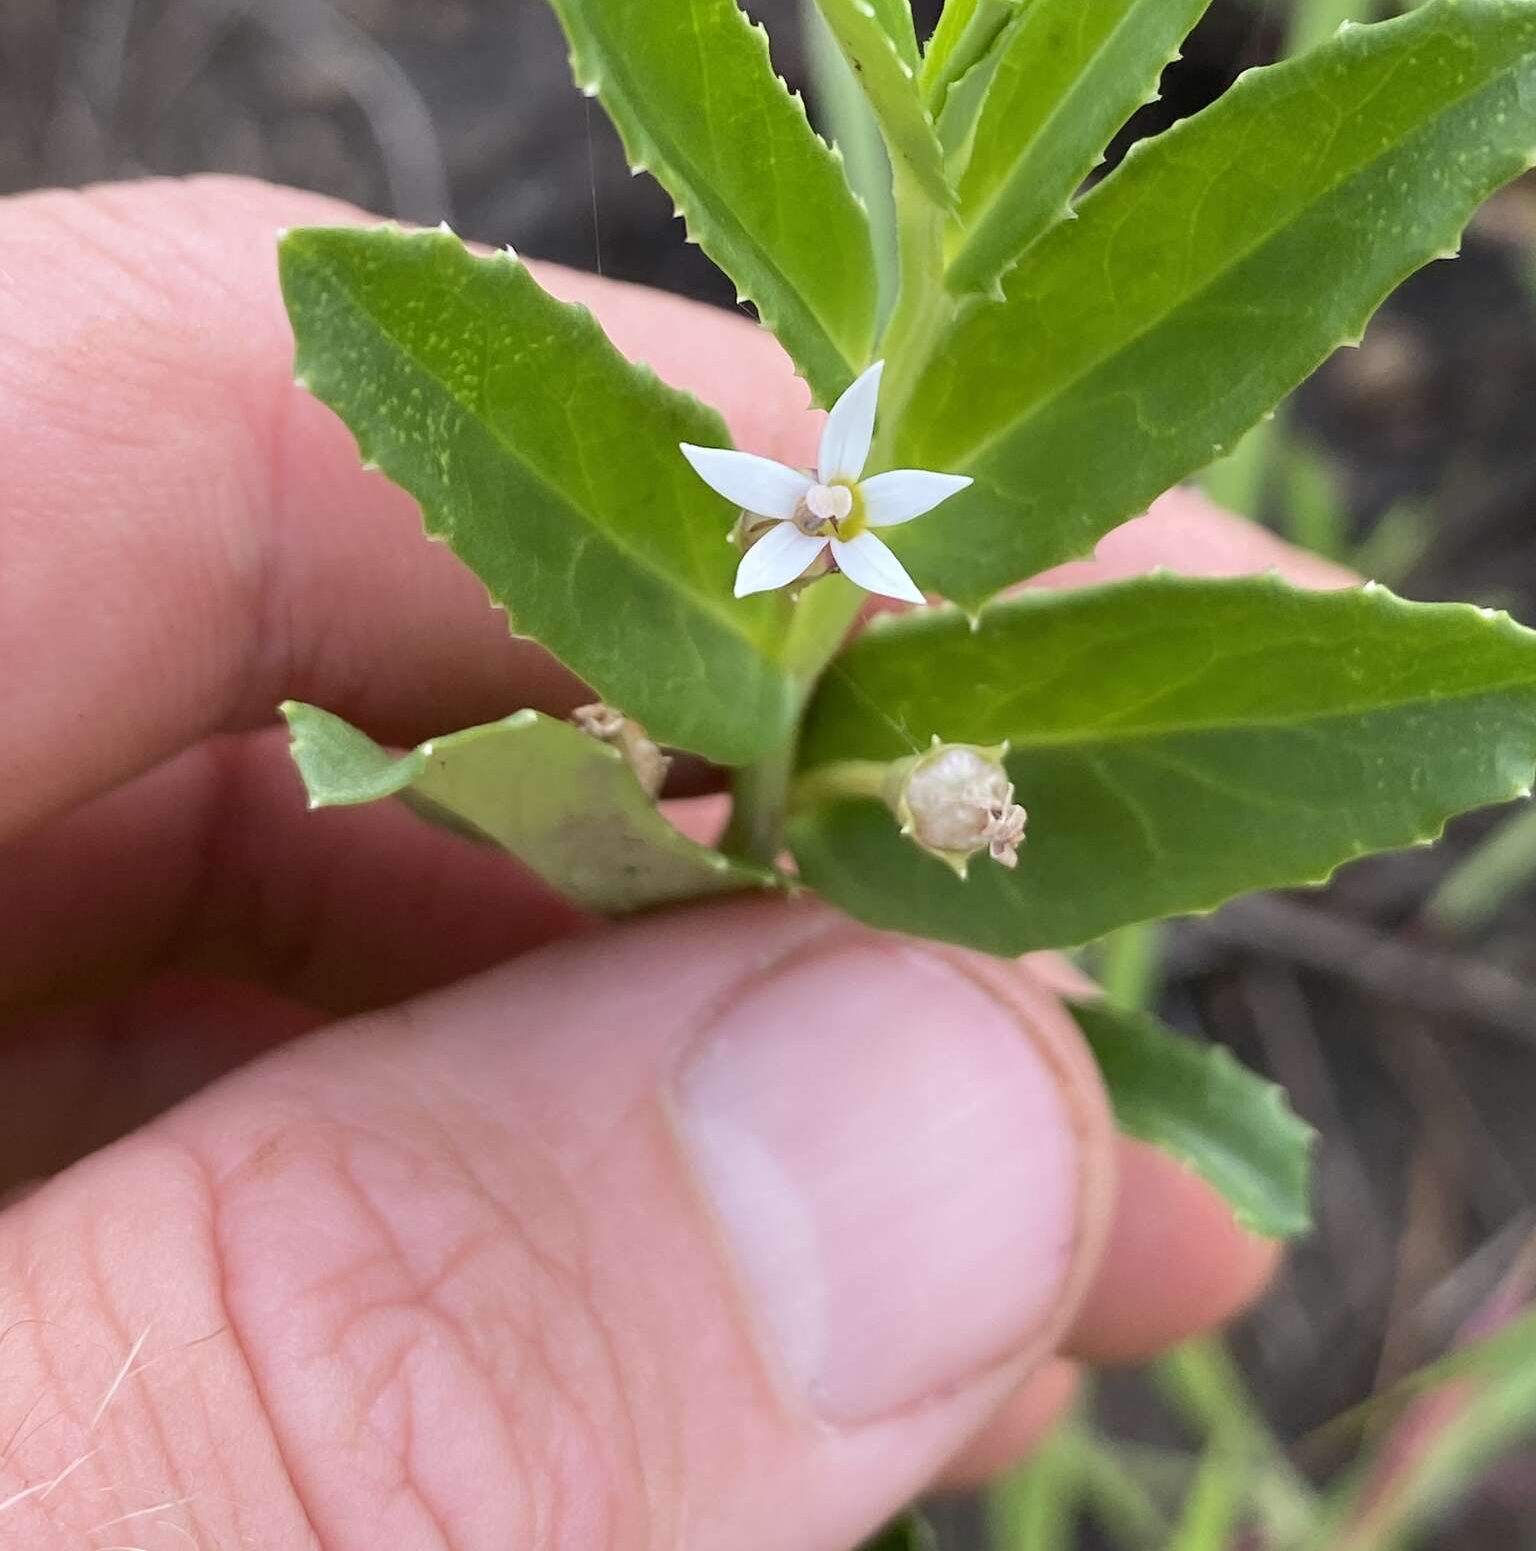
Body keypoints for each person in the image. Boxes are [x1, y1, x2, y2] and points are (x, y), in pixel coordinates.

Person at [0, 176, 1309, 1548]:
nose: (832, 509)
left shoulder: (838, 534)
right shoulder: (800, 535)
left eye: (843, 515)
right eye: (821, 509)